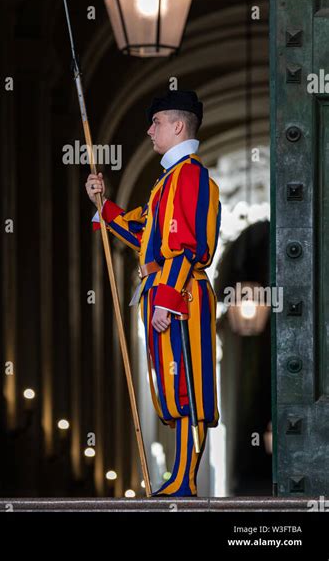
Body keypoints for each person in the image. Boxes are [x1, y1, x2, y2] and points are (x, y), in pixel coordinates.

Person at [85, 90, 221, 497]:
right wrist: (103, 204)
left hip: (183, 298)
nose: (149, 130)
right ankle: (178, 476)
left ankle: (184, 479)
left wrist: (166, 297)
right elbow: (146, 234)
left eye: (156, 122)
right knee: (171, 388)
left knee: (188, 389)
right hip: (168, 295)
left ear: (178, 126)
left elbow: (187, 246)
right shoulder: (167, 181)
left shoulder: (191, 176)